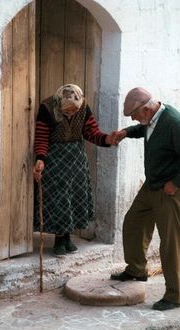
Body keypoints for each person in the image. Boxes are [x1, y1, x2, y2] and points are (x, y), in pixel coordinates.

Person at [110, 87, 180, 311]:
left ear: (146, 109)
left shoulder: (172, 122)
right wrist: (126, 132)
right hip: (152, 185)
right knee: (133, 223)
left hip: (169, 190)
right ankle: (137, 270)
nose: (133, 119)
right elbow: (146, 130)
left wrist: (177, 182)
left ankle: (174, 296)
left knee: (170, 242)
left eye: (134, 115)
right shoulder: (153, 118)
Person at [33, 84, 116, 258]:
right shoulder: (47, 107)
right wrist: (40, 158)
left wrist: (107, 139)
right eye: (66, 112)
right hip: (55, 159)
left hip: (77, 159)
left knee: (75, 197)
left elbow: (91, 132)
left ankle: (68, 238)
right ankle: (59, 239)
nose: (70, 114)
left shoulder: (83, 107)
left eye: (73, 112)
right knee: (59, 199)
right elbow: (41, 136)